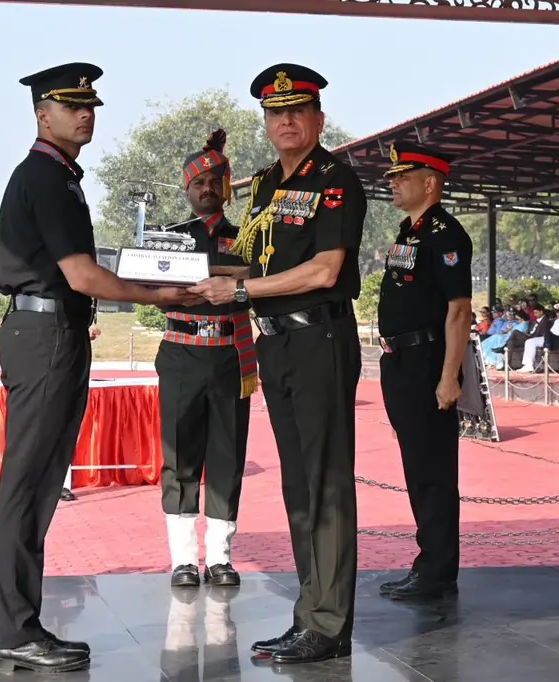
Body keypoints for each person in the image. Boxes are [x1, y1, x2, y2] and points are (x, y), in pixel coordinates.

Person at [0, 62, 198, 674]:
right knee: (28, 483)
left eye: (92, 106)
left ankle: (20, 625)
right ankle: (14, 629)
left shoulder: (58, 177)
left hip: (53, 328)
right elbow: (82, 275)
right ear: (41, 113)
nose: (86, 114)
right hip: (45, 330)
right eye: (72, 105)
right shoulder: (46, 178)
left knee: (40, 479)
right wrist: (162, 295)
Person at [190, 62, 366, 665]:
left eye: (297, 110)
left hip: (320, 339)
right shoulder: (265, 185)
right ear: (264, 123)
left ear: (317, 118)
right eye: (274, 112)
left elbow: (324, 271)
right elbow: (250, 267)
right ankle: (310, 614)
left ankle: (328, 619)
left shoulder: (336, 180)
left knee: (327, 482)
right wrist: (178, 274)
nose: (285, 120)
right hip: (276, 343)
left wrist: (236, 294)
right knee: (298, 483)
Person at [374, 142, 472, 601]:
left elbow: (458, 311)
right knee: (417, 466)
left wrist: (449, 375)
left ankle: (437, 570)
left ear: (429, 183)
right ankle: (428, 561)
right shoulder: (408, 231)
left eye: (402, 175)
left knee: (432, 470)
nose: (393, 182)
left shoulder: (445, 234)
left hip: (427, 361)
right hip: (399, 362)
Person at [159, 129, 256, 589]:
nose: (207, 188)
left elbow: (252, 287)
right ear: (187, 188)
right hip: (180, 356)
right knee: (179, 456)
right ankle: (182, 558)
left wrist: (202, 289)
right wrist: (218, 288)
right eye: (199, 182)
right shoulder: (170, 239)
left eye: (216, 180)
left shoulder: (248, 238)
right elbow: (153, 291)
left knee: (227, 456)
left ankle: (218, 557)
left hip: (230, 356)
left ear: (226, 186)